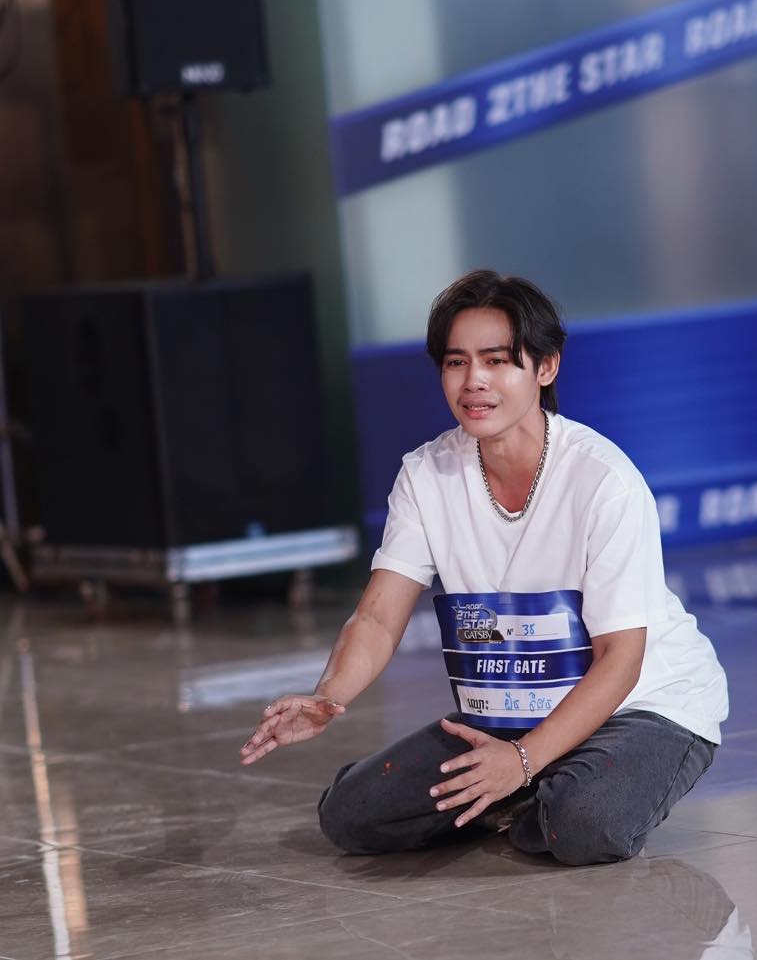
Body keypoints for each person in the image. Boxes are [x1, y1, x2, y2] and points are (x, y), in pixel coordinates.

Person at [240, 270, 728, 866]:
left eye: (497, 361)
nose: (474, 380)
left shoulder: (604, 482)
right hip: (514, 708)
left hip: (642, 704)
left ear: (545, 367)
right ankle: (532, 790)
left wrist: (521, 761)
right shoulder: (426, 475)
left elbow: (621, 659)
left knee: (583, 825)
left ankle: (541, 789)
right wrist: (327, 696)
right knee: (353, 814)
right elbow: (377, 619)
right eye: (456, 362)